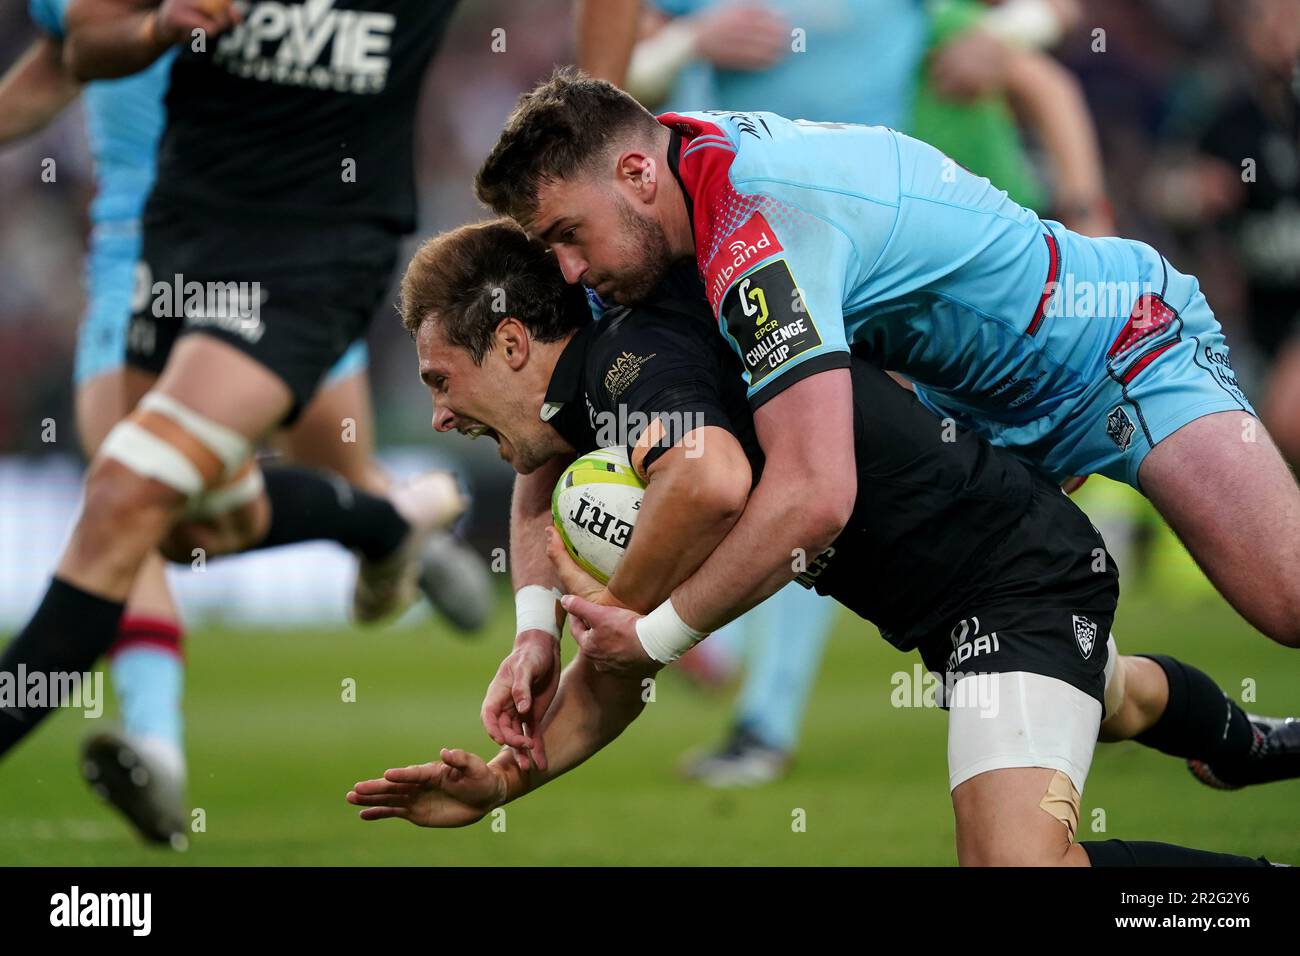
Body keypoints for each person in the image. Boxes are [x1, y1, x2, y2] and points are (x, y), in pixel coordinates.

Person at [347, 220, 1299, 865]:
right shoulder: (597, 370)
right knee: (1112, 694)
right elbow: (541, 477)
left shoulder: (638, 373)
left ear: (512, 345)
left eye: (440, 378)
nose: (433, 414)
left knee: (1014, 860)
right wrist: (531, 667)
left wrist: (618, 621)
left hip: (1015, 580)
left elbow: (708, 489)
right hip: (963, 586)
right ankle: (1245, 744)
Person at [472, 70, 1300, 730]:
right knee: (1060, 678)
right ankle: (1237, 740)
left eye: (569, 237)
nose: (570, 271)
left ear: (634, 174)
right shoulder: (661, 186)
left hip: (1116, 347)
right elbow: (551, 423)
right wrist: (536, 629)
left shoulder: (755, 224)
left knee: (1287, 601)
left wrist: (653, 637)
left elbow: (815, 497)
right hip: (978, 408)